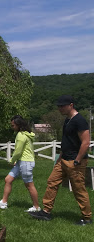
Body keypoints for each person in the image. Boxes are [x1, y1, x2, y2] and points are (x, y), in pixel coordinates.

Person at [30, 95, 92, 225]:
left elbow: (86, 142)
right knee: (52, 182)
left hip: (75, 162)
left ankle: (86, 218)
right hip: (63, 159)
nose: (59, 108)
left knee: (79, 189)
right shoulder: (67, 120)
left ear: (71, 105)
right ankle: (46, 212)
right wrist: (59, 158)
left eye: (62, 106)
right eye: (58, 106)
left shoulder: (79, 120)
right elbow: (66, 141)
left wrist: (77, 160)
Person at [0, 115, 40, 212]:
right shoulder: (25, 134)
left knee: (29, 185)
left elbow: (18, 151)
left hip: (26, 162)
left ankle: (36, 207)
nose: (12, 127)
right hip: (21, 161)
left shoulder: (21, 135)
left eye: (13, 125)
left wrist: (12, 160)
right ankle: (3, 203)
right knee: (8, 179)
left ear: (18, 125)